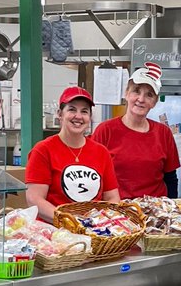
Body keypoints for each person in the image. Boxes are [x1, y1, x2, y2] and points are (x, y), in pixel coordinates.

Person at [25, 86, 120, 222]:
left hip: (94, 232)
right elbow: (34, 199)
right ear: (60, 114)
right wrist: (69, 222)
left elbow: (112, 198)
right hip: (54, 232)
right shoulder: (43, 150)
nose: (78, 116)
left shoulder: (101, 152)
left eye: (84, 111)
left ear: (90, 117)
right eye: (72, 109)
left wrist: (102, 222)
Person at [92, 62, 180, 199]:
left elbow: (171, 178)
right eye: (136, 91)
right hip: (117, 211)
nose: (141, 99)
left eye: (149, 95)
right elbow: (93, 177)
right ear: (126, 93)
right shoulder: (105, 131)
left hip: (155, 212)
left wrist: (173, 209)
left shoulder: (164, 133)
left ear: (155, 102)